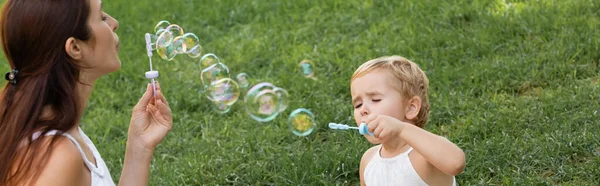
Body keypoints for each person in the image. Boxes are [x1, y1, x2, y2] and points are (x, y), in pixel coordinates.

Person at [0, 0, 173, 185]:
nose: (114, 22)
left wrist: (139, 148)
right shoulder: (57, 158)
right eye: (101, 17)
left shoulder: (55, 123)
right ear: (75, 48)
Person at [351, 56, 466, 186]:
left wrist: (401, 129)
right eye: (358, 105)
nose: (363, 110)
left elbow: (456, 163)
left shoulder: (424, 156)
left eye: (376, 99)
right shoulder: (368, 160)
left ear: (410, 108)